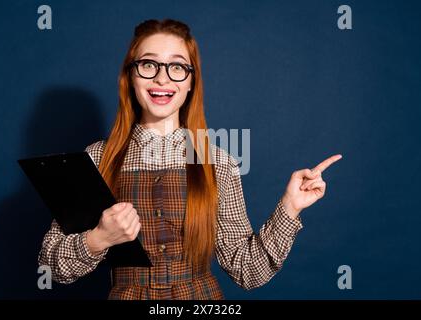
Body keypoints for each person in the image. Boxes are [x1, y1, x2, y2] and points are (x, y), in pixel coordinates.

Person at [38, 19, 342, 300]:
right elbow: (51, 264)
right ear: (130, 75)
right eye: (148, 64)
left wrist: (289, 208)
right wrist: (99, 238)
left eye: (177, 67)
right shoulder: (97, 158)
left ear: (191, 81)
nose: (162, 78)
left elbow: (248, 271)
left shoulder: (216, 161)